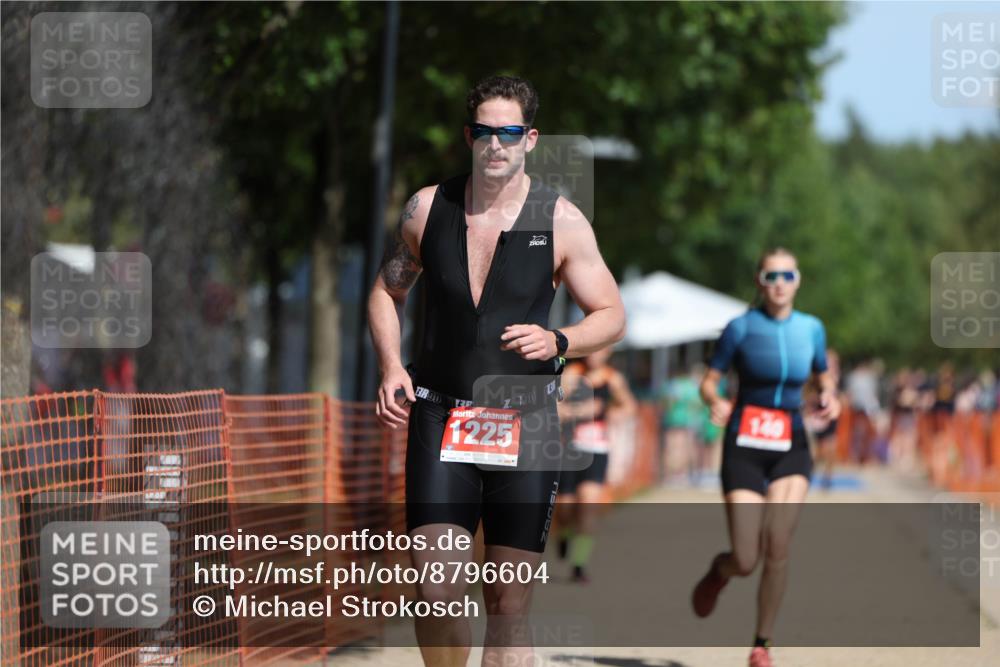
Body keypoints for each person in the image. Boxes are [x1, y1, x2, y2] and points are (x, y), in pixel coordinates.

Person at [367, 75, 625, 667]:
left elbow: (611, 315)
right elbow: (386, 291)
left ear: (530, 138)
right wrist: (390, 366)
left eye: (509, 132)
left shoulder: (561, 220)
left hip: (527, 423)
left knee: (507, 606)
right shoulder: (427, 208)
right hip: (441, 416)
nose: (496, 144)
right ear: (468, 137)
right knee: (435, 594)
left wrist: (559, 340)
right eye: (484, 132)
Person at [692, 247, 839, 667]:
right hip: (745, 444)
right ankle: (719, 572)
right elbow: (709, 381)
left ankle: (762, 644)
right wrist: (715, 401)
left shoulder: (812, 328)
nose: (779, 284)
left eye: (787, 276)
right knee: (745, 558)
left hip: (791, 445)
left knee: (778, 544)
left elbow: (823, 375)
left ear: (798, 280)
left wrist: (830, 395)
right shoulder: (740, 328)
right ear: (760, 281)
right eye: (771, 276)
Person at [554, 346, 636, 583]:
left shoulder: (613, 378)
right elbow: (554, 406)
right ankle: (563, 534)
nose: (594, 355)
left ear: (608, 351)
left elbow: (629, 407)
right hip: (569, 450)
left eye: (600, 350)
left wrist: (611, 412)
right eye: (591, 350)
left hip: (597, 450)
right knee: (565, 508)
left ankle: (579, 565)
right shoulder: (572, 374)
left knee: (588, 508)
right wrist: (579, 411)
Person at [803, 348, 841, 489]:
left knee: (830, 450)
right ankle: (808, 476)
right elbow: (806, 399)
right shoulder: (811, 378)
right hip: (813, 418)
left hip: (829, 418)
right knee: (812, 453)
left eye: (833, 363)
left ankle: (828, 478)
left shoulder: (834, 379)